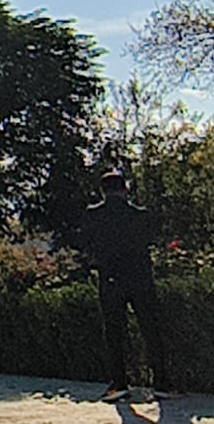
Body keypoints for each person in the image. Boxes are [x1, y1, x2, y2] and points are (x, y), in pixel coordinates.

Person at [75, 170, 177, 402]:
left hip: (110, 278)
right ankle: (161, 382)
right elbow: (152, 239)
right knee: (151, 330)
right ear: (125, 189)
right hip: (140, 277)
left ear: (103, 191)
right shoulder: (140, 215)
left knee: (114, 333)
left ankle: (119, 383)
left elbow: (84, 243)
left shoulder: (93, 215)